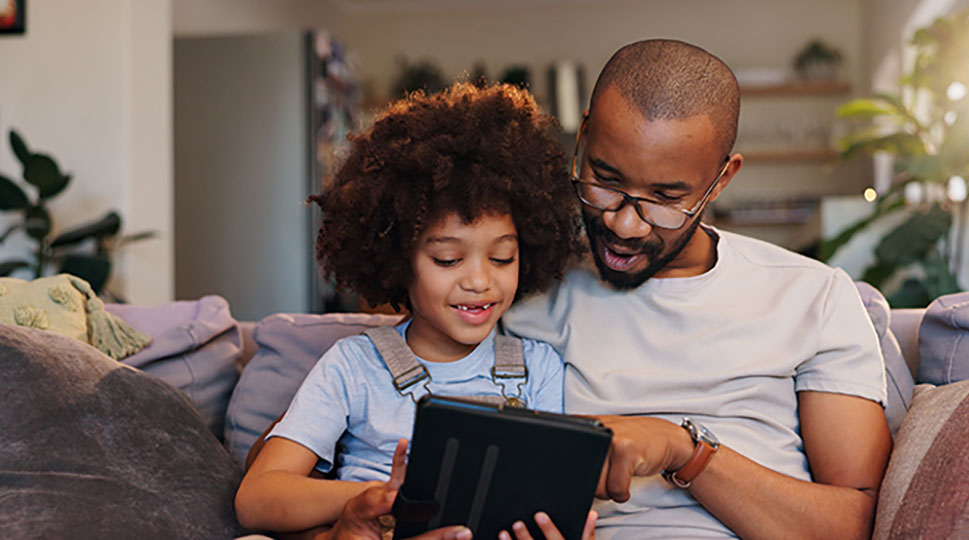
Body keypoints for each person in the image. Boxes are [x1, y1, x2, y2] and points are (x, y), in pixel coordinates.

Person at [501, 39, 893, 539]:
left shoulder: (813, 297)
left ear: (721, 179)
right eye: (604, 179)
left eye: (666, 198)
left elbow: (855, 524)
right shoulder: (516, 289)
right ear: (581, 140)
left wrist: (681, 449)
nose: (625, 225)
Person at [234, 82, 590, 539]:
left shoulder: (538, 369)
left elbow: (554, 495)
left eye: (502, 257)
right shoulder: (355, 366)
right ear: (398, 260)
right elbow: (257, 499)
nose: (480, 281)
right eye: (447, 259)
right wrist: (381, 497)